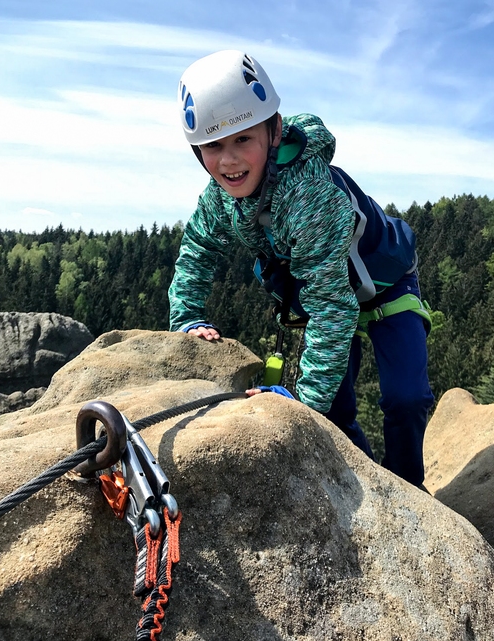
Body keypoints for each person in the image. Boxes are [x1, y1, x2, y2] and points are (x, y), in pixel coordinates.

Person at [168, 49, 434, 487]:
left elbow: (333, 308)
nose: (229, 161)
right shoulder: (219, 198)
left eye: (242, 140)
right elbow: (197, 249)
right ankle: (368, 483)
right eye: (213, 146)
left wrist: (303, 402)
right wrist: (188, 317)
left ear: (273, 132)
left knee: (405, 399)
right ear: (198, 152)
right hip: (327, 290)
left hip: (385, 285)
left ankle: (409, 486)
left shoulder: (306, 194)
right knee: (338, 410)